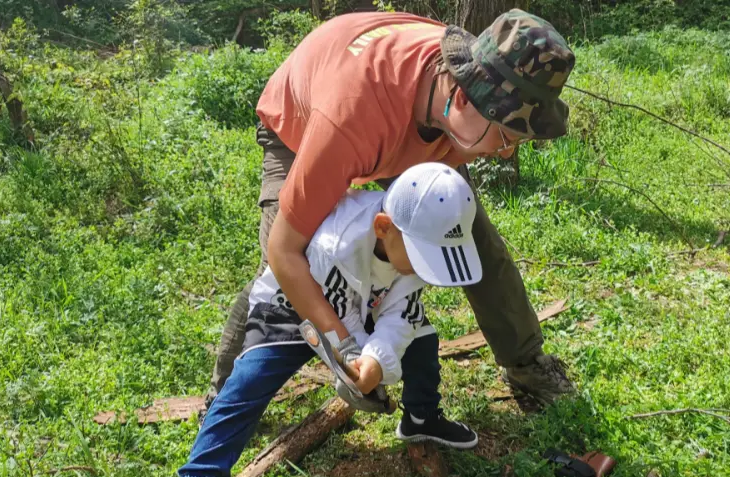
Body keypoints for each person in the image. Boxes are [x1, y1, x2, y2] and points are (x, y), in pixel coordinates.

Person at [206, 9, 578, 413]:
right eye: (506, 134)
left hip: (413, 124)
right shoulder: (351, 116)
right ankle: (224, 394)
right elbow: (285, 253)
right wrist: (346, 350)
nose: (507, 152)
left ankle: (526, 365)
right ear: (462, 96)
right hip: (303, 124)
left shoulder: (484, 73)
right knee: (286, 275)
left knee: (469, 235)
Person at [141, 163, 482, 477]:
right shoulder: (337, 242)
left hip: (358, 309)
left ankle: (421, 416)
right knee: (249, 380)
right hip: (294, 302)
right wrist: (360, 360)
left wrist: (374, 361)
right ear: (383, 227)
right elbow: (334, 320)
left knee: (422, 338)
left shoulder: (409, 254)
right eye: (426, 257)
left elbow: (401, 317)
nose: (429, 269)